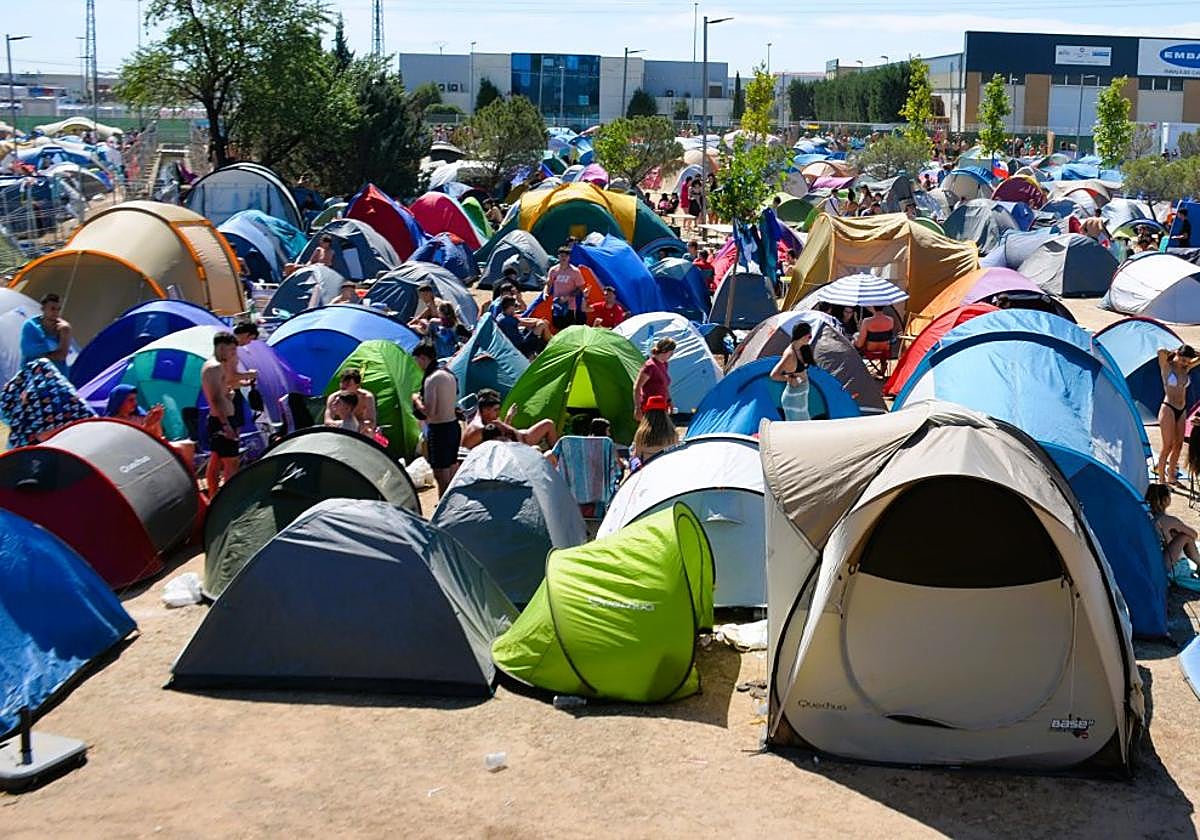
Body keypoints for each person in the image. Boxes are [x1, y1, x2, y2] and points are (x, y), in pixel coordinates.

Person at [201, 331, 254, 497]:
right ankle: (229, 499)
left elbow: (220, 394)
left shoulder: (215, 366)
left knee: (216, 460)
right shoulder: (214, 367)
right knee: (232, 462)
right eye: (231, 350)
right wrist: (226, 426)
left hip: (219, 418)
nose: (233, 354)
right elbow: (216, 399)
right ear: (221, 347)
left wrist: (229, 395)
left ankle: (213, 496)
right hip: (221, 420)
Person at [411, 344, 461, 493]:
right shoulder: (448, 373)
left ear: (424, 358)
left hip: (440, 430)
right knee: (452, 470)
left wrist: (416, 400)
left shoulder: (432, 379)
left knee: (441, 475)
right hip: (453, 426)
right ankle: (452, 507)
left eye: (417, 360)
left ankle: (443, 510)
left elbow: (430, 412)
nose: (417, 364)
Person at [1156, 345, 1200, 484]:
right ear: (1177, 355)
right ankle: (1161, 479)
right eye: (1182, 359)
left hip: (1182, 409)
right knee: (1167, 446)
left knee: (1179, 445)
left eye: (1187, 361)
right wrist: (1175, 350)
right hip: (1168, 407)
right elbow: (1160, 351)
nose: (1184, 363)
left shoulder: (1186, 368)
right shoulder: (1167, 366)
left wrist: (1192, 352)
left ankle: (1171, 476)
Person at [462, 388, 558, 450]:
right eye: (495, 410)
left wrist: (508, 418)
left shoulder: (482, 420)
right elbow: (502, 443)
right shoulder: (480, 428)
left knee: (547, 424)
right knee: (547, 426)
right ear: (485, 410)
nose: (498, 413)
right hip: (521, 442)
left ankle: (556, 453)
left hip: (519, 439)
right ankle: (557, 456)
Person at [1147, 483, 1200, 578]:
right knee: (1185, 536)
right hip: (1165, 567)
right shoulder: (1169, 520)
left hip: (1148, 562)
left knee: (1175, 534)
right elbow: (1194, 534)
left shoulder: (1144, 516)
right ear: (1166, 500)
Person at [770, 322, 815, 421]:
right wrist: (789, 379)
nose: (810, 338)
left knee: (802, 429)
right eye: (810, 336)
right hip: (793, 399)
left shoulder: (801, 349)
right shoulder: (790, 354)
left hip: (800, 397)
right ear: (802, 335)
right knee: (800, 430)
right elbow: (773, 375)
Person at [21, 293, 72, 377]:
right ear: (43, 308)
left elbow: (62, 355)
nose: (56, 312)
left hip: (56, 375)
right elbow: (29, 350)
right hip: (32, 375)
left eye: (58, 309)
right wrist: (52, 351)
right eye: (52, 309)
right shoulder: (30, 326)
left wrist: (65, 335)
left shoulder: (63, 328)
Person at [324, 368, 377, 435]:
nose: (344, 386)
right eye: (342, 383)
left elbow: (371, 422)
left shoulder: (366, 397)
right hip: (340, 430)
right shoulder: (334, 398)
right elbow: (327, 421)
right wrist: (346, 424)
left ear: (357, 386)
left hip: (361, 432)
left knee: (368, 431)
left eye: (348, 384)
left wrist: (354, 425)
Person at [630, 394, 677, 471]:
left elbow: (637, 456)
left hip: (647, 471)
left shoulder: (641, 433)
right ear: (665, 412)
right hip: (667, 470)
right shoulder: (672, 433)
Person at [546, 245, 587, 329]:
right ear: (558, 256)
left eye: (566, 256)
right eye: (561, 256)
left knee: (569, 328)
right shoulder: (553, 270)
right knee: (557, 326)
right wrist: (546, 292)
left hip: (570, 306)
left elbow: (581, 287)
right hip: (557, 304)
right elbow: (549, 283)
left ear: (569, 257)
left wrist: (568, 297)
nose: (563, 258)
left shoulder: (575, 271)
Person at [634, 337, 674, 419]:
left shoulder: (664, 364)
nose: (672, 355)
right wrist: (637, 408)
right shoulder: (650, 366)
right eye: (671, 352)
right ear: (664, 351)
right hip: (649, 407)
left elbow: (665, 386)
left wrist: (669, 401)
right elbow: (637, 387)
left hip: (662, 406)